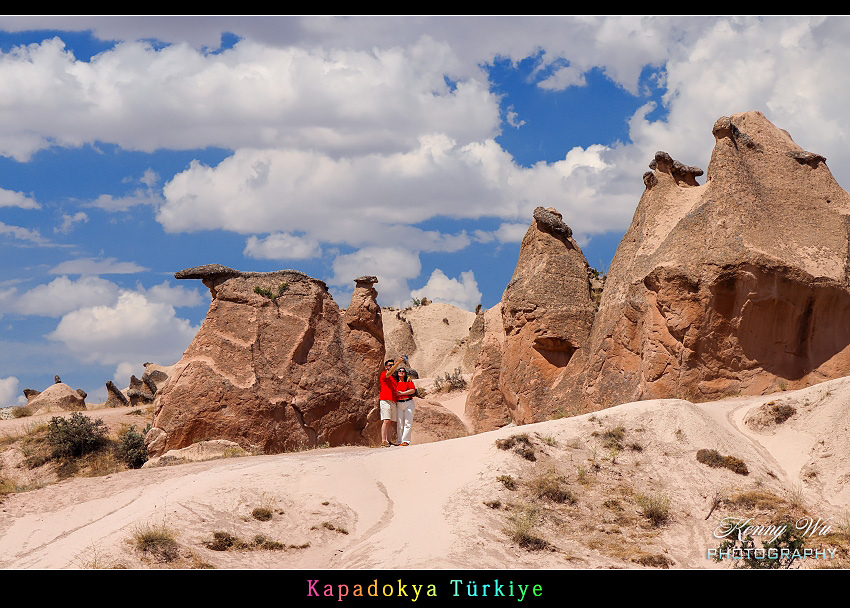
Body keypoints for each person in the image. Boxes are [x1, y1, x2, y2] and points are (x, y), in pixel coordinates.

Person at [379, 357, 405, 447]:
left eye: (393, 365)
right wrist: (398, 362)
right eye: (390, 365)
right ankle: (383, 440)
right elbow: (389, 373)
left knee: (391, 422)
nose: (392, 366)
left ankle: (389, 441)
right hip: (385, 400)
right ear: (386, 367)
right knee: (386, 420)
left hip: (393, 401)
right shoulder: (384, 374)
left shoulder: (393, 379)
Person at [393, 366, 416, 446]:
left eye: (403, 371)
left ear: (405, 373)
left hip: (408, 402)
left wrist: (402, 393)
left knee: (408, 422)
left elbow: (413, 390)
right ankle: (400, 441)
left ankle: (405, 441)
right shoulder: (395, 382)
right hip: (399, 403)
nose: (401, 372)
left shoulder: (408, 381)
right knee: (399, 423)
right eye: (399, 370)